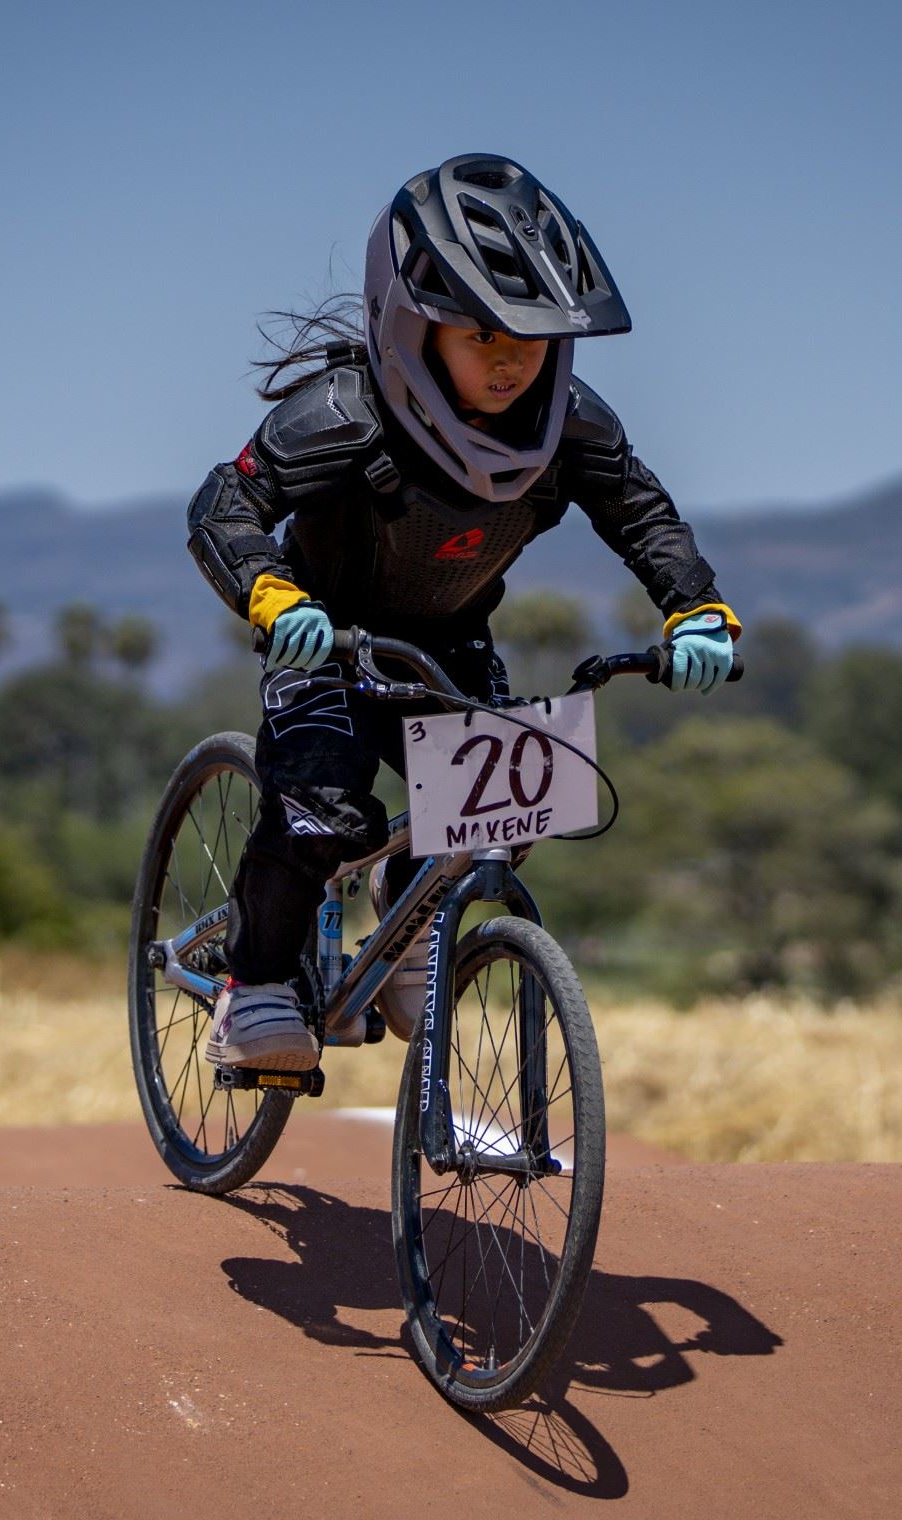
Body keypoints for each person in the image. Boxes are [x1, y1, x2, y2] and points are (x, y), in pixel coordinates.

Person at [186, 153, 739, 1071]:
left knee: (510, 812)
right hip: (323, 638)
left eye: (533, 336)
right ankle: (256, 982)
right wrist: (271, 595)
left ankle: (407, 923)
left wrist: (698, 608)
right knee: (324, 813)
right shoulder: (336, 416)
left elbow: (640, 509)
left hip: (448, 641)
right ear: (413, 325)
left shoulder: (573, 428)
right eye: (480, 331)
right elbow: (223, 506)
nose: (511, 358)